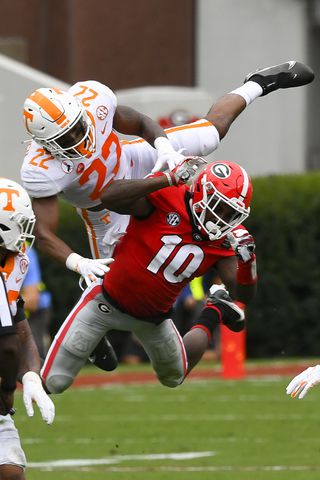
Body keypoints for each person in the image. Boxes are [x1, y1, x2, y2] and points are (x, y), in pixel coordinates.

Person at [21, 60, 314, 369]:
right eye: (64, 139)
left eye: (78, 127)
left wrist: (163, 147)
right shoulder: (40, 170)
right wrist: (77, 262)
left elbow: (137, 121)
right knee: (112, 285)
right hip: (105, 210)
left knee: (210, 135)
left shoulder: (94, 100)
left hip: (136, 158)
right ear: (43, 144)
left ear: (81, 111)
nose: (78, 139)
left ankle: (257, 83)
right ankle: (97, 336)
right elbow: (43, 233)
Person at [41, 158, 258, 393]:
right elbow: (109, 197)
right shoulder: (169, 194)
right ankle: (96, 343)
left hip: (155, 318)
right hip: (104, 300)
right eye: (219, 206)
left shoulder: (228, 239)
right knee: (54, 382)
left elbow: (241, 294)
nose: (221, 217)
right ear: (201, 191)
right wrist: (167, 178)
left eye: (231, 213)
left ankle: (216, 310)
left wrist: (248, 262)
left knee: (173, 376)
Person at [0, 178, 55, 479]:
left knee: (10, 471)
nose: (26, 233)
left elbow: (18, 323)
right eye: (20, 224)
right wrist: (9, 388)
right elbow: (8, 345)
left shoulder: (10, 264)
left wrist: (31, 374)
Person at [21, 246, 52, 359]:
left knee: (34, 355)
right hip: (13, 309)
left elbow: (32, 301)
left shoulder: (25, 252)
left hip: (35, 312)